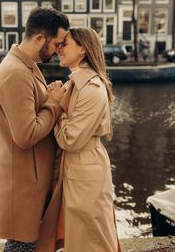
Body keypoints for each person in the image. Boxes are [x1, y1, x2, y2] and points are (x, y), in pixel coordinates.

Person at [0, 7, 69, 252]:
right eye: (57, 43)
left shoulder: (26, 65)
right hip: (22, 187)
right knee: (20, 248)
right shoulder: (16, 73)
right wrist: (53, 103)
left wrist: (49, 95)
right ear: (40, 38)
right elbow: (26, 135)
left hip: (29, 183)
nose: (59, 50)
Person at [53, 27, 121, 252]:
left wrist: (55, 108)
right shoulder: (75, 83)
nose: (59, 49)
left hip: (85, 171)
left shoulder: (91, 89)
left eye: (66, 44)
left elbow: (70, 140)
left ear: (82, 49)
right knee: (80, 239)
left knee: (93, 240)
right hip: (78, 169)